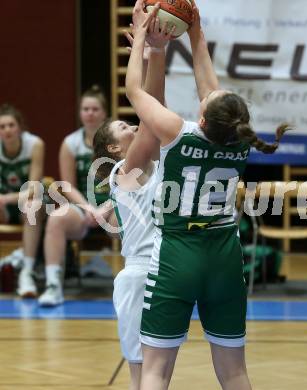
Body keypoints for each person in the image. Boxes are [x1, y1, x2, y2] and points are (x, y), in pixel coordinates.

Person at [123, 1, 291, 389]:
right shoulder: (240, 142)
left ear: (203, 118)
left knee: (155, 371)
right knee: (234, 372)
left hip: (177, 255)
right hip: (225, 257)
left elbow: (134, 90)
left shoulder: (175, 132)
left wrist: (144, 43)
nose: (209, 91)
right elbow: (210, 87)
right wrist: (195, 30)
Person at [92, 21, 171, 390]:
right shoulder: (124, 172)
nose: (133, 127)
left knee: (156, 373)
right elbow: (149, 114)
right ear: (112, 149)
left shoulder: (152, 162)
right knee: (142, 374)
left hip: (166, 271)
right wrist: (146, 48)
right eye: (124, 127)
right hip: (139, 275)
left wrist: (156, 53)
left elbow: (154, 110)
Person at [38, 86, 117, 307]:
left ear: (104, 112)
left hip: (114, 205)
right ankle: (53, 286)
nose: (90, 113)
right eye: (85, 109)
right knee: (56, 218)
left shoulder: (117, 139)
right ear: (80, 113)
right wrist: (89, 208)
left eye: (95, 109)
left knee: (128, 219)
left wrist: (106, 208)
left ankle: (134, 283)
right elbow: (68, 186)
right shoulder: (70, 143)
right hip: (84, 207)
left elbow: (129, 184)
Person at [0, 104, 45, 298]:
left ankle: (26, 272)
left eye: (11, 125)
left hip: (24, 203)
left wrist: (5, 199)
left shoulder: (35, 145)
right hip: (2, 205)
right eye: (2, 127)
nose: (7, 130)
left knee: (32, 206)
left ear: (19, 127)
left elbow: (34, 188)